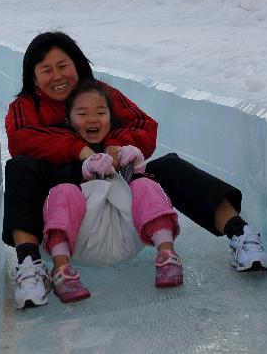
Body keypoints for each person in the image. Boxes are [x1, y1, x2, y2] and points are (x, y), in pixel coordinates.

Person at [5, 31, 267, 309]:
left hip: (120, 196)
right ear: (33, 78)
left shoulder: (102, 93)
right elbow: (20, 139)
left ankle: (240, 235)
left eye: (63, 66)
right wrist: (81, 152)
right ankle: (30, 266)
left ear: (77, 65)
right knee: (20, 168)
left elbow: (144, 125)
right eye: (46, 70)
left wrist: (116, 147)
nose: (57, 76)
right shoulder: (25, 107)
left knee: (168, 167)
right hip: (64, 204)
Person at [38, 80, 182, 305]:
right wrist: (83, 168)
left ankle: (167, 255)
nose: (93, 119)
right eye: (82, 113)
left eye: (101, 112)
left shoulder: (116, 146)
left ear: (110, 118)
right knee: (63, 192)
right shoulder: (63, 148)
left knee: (145, 186)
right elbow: (50, 178)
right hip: (82, 235)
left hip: (125, 232)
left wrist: (134, 164)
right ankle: (62, 269)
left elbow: (134, 185)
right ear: (68, 120)